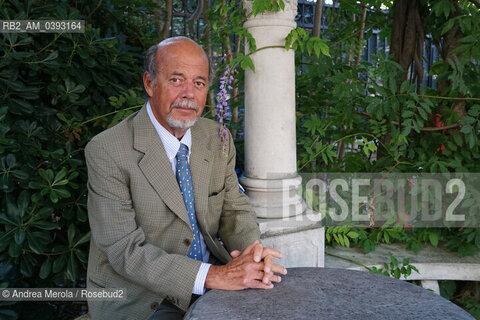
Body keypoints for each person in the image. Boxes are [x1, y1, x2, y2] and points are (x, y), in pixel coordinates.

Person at [85, 36, 287, 320]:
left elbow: (235, 209)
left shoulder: (217, 138)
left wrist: (251, 255)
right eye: (177, 80)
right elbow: (123, 250)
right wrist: (213, 276)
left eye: (199, 83)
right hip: (143, 297)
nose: (189, 94)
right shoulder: (107, 150)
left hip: (215, 277)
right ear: (149, 83)